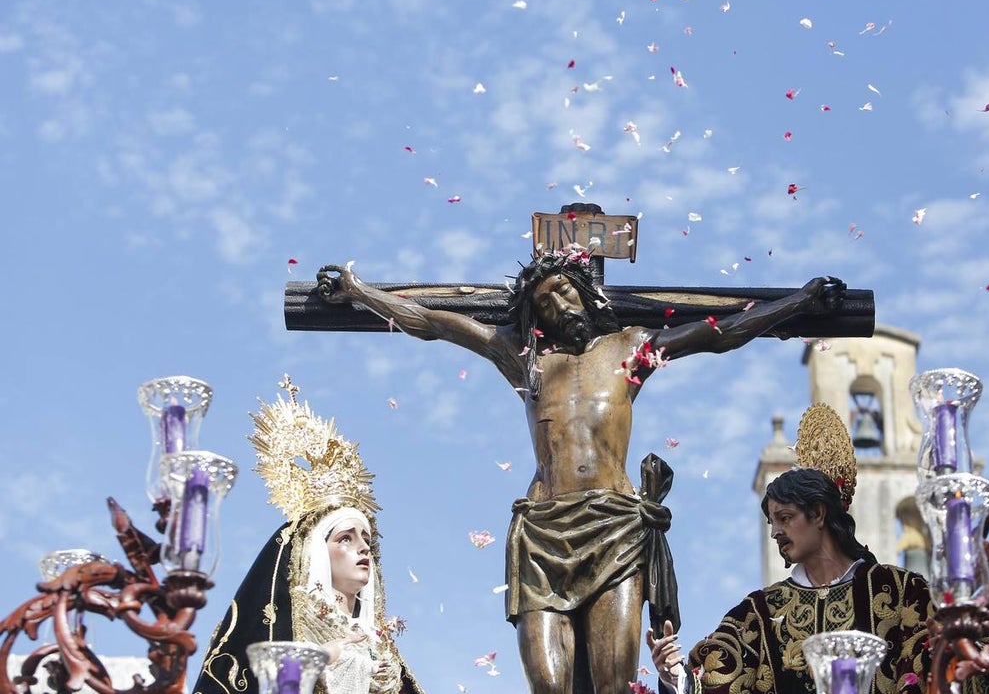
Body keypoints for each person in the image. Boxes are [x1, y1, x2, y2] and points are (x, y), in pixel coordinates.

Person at [316, 252, 846, 694]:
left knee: (614, 684)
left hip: (613, 527)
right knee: (548, 685)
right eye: (545, 301)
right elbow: (436, 323)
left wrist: (801, 300)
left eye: (565, 291)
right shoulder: (526, 361)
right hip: (543, 531)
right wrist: (358, 290)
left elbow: (723, 332)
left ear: (587, 295)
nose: (559, 305)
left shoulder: (630, 350)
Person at [647, 404, 933, 694]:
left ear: (818, 513)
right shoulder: (757, 613)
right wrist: (676, 678)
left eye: (785, 518)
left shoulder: (901, 592)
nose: (775, 532)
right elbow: (713, 681)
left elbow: (940, 670)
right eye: (772, 522)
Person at [194, 377, 423, 694]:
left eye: (366, 540)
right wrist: (326, 658)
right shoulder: (291, 638)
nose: (363, 549)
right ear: (314, 553)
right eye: (345, 538)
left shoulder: (383, 655)